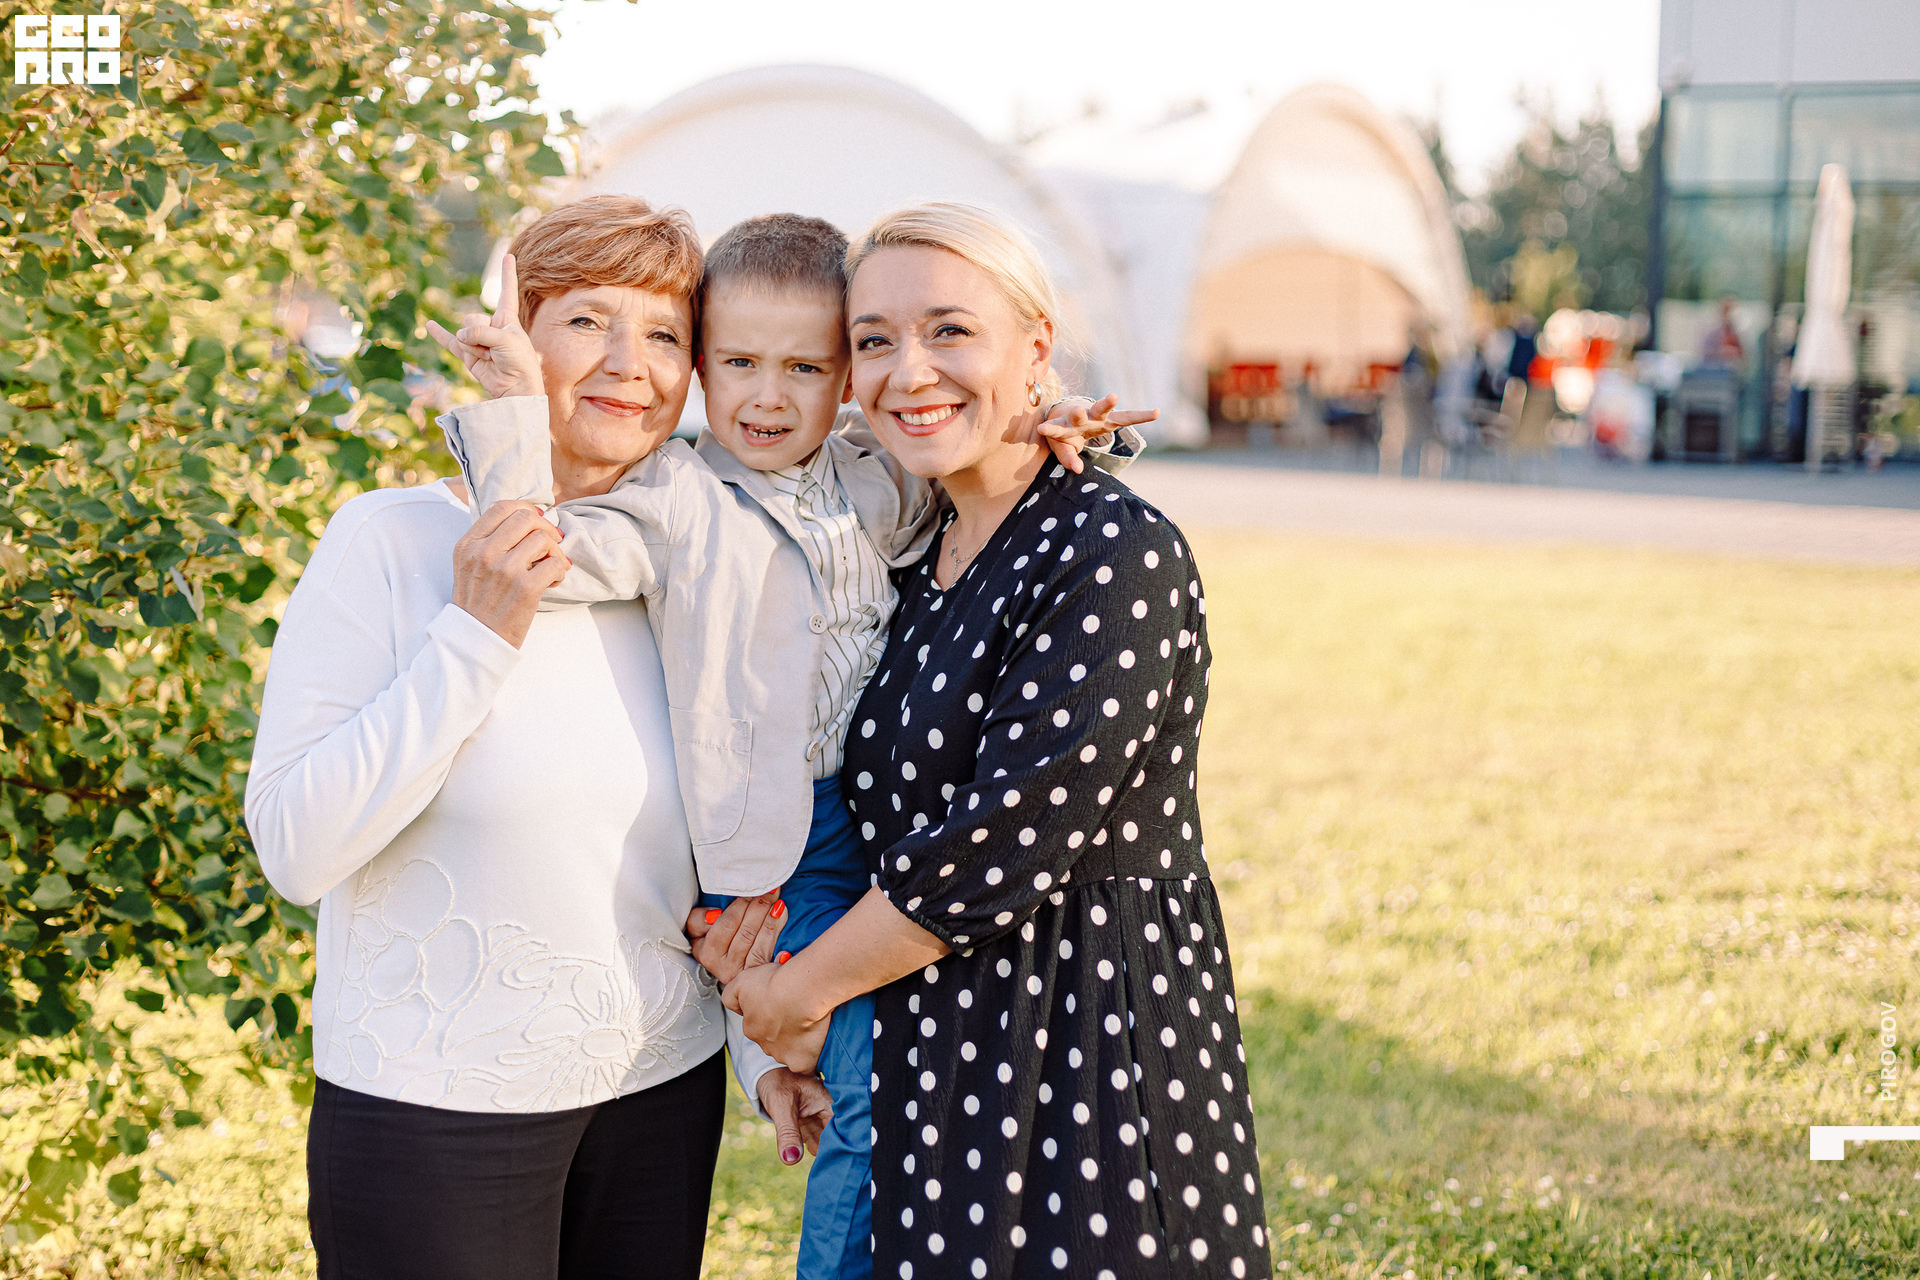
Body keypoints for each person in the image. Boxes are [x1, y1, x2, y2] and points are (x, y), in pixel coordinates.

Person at [433, 210, 1148, 1280]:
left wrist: (1056, 422)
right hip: (782, 843)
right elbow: (550, 553)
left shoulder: (873, 475)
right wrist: (513, 411)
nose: (768, 398)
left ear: (847, 378)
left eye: (806, 366)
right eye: (738, 363)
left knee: (873, 1068)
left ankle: (815, 1105)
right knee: (867, 1095)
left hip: (886, 832)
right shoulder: (676, 496)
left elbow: (980, 459)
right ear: (704, 365)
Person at [245, 196, 830, 1280]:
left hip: (659, 1097)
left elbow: (700, 862)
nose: (630, 365)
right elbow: (294, 843)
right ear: (510, 333)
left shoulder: (696, 560)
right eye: (586, 322)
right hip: (436, 1111)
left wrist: (756, 1048)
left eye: (663, 334)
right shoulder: (393, 538)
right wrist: (475, 629)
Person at [723, 201, 1273, 1278]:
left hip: (1086, 1055)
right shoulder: (911, 553)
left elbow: (1000, 843)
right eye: (873, 341)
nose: (907, 369)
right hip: (932, 1056)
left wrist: (797, 995)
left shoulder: (1111, 548)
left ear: (1036, 346)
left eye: (950, 330)